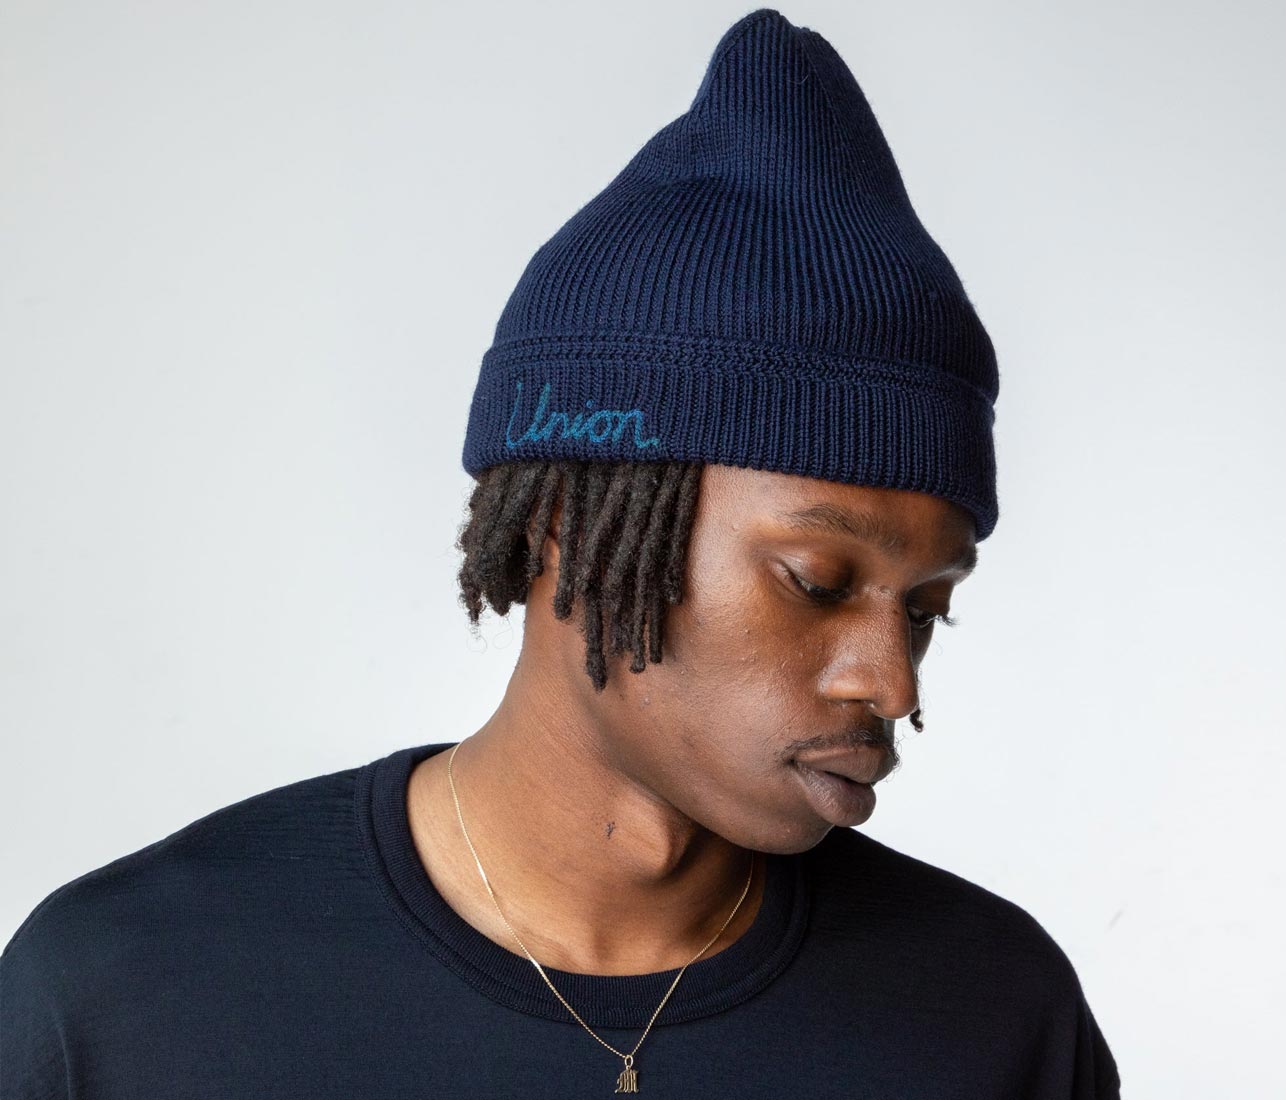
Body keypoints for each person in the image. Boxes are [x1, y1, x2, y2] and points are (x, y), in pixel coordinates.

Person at [1, 8, 1120, 1097]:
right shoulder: (126, 994)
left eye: (923, 608)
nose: (890, 682)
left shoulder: (993, 1014)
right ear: (562, 531)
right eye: (815, 582)